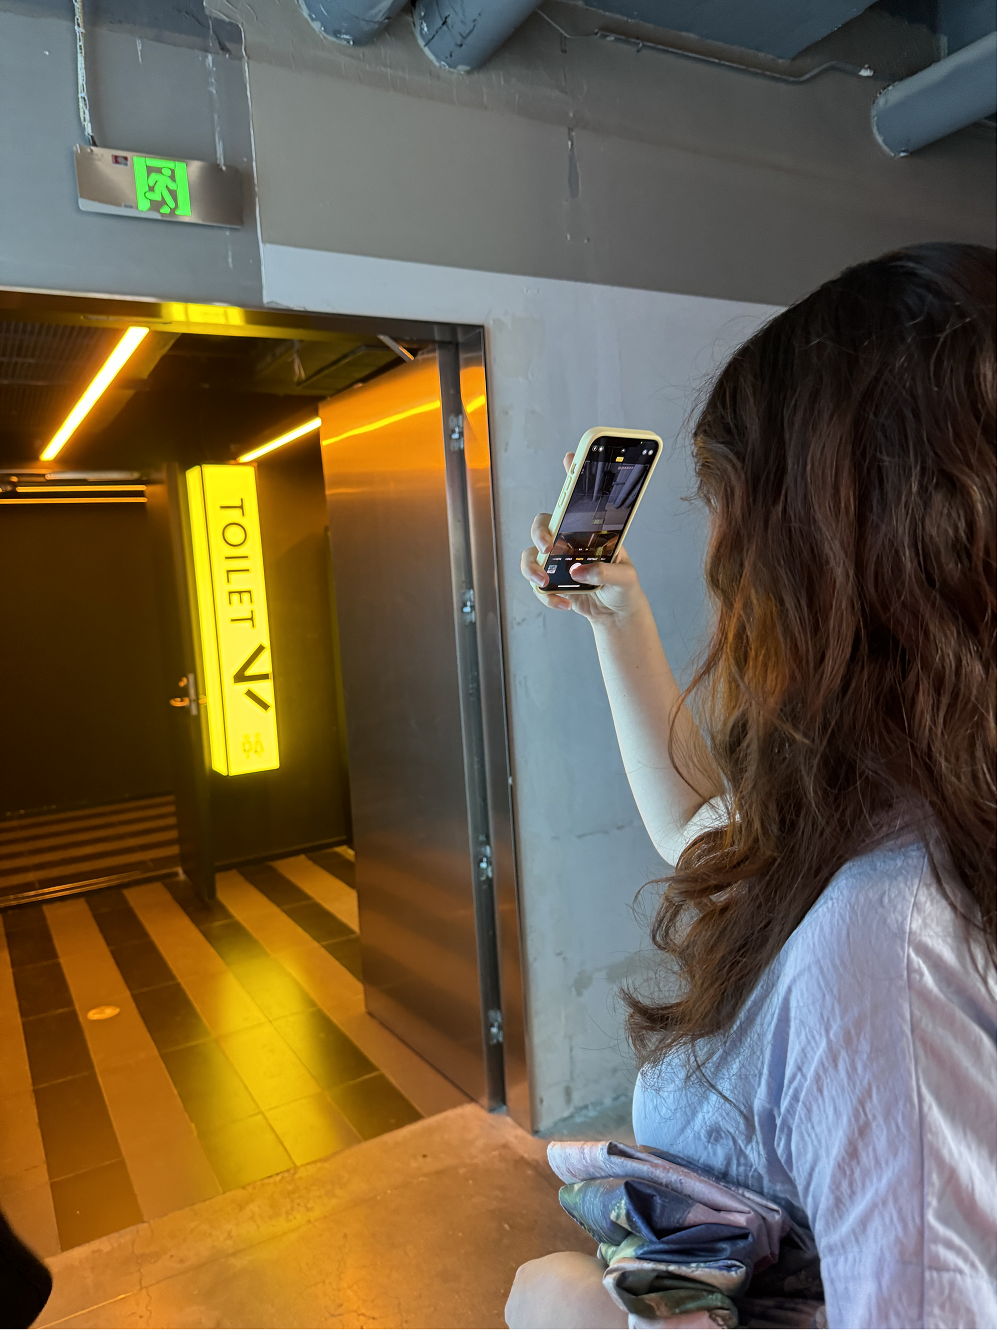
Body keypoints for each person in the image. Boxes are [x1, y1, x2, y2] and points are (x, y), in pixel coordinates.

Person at [508, 243, 997, 1330]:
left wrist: (591, 1318)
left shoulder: (885, 946)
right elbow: (703, 830)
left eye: (728, 508)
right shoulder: (915, 804)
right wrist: (618, 617)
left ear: (822, 553)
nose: (718, 556)